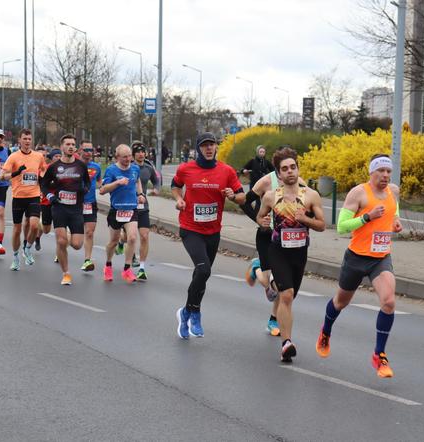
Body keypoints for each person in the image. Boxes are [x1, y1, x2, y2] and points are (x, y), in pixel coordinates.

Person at [315, 154, 403, 379]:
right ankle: (326, 331)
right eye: (380, 171)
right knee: (341, 302)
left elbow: (393, 211)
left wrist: (395, 221)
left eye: (387, 171)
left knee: (389, 301)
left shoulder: (393, 191)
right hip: (356, 257)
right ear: (371, 172)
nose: (384, 175)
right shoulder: (358, 193)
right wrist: (367, 217)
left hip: (380, 258)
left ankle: (379, 354)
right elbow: (342, 226)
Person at [171, 132, 246, 339]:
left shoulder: (226, 171)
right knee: (204, 270)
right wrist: (178, 199)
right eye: (204, 145)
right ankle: (194, 312)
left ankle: (185, 311)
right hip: (190, 229)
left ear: (216, 147)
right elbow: (175, 186)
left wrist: (233, 196)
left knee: (201, 274)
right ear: (198, 149)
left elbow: (242, 196)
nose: (209, 148)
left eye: (212, 144)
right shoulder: (186, 169)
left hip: (213, 232)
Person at [257, 147, 325, 362]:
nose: (289, 172)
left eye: (293, 167)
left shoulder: (311, 195)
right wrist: (263, 222)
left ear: (297, 169)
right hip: (278, 251)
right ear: (278, 174)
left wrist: (305, 220)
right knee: (287, 296)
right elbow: (260, 217)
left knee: (289, 294)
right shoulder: (270, 197)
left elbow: (322, 225)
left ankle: (271, 287)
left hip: (299, 253)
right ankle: (286, 343)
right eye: (284, 169)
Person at [41, 134, 90, 285]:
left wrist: (85, 190)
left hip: (75, 209)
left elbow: (87, 182)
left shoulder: (81, 165)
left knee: (76, 245)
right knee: (62, 242)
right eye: (67, 144)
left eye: (73, 144)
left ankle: (64, 237)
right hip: (59, 207)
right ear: (62, 147)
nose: (70, 147)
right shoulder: (54, 167)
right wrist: (50, 196)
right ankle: (66, 273)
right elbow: (44, 185)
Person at [0, 128, 46, 271]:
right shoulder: (13, 157)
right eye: (24, 139)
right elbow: (1, 176)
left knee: (34, 225)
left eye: (29, 139)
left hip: (33, 195)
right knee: (17, 229)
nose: (27, 141)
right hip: (18, 197)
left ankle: (27, 248)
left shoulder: (38, 156)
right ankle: (15, 257)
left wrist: (44, 183)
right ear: (19, 140)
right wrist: (16, 172)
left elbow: (43, 170)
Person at [99, 144, 146, 284]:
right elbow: (102, 190)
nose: (128, 159)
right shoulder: (111, 170)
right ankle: (108, 265)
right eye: (125, 157)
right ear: (117, 157)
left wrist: (140, 194)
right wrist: (118, 183)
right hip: (116, 210)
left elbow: (137, 181)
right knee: (113, 242)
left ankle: (127, 268)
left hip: (131, 209)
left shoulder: (135, 168)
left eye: (130, 156)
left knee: (132, 238)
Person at [132, 141, 159, 281]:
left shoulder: (148, 168)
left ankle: (141, 268)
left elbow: (156, 180)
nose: (141, 154)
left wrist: (156, 188)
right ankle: (123, 247)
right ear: (133, 154)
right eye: (138, 152)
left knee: (144, 236)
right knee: (128, 238)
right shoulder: (128, 167)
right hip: (128, 206)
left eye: (143, 152)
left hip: (143, 206)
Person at [78, 140, 102, 272]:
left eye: (90, 150)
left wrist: (102, 186)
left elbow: (99, 180)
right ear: (80, 150)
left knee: (89, 232)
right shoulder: (74, 165)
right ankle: (61, 249)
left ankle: (87, 260)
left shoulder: (96, 167)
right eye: (86, 150)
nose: (88, 153)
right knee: (75, 236)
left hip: (90, 203)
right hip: (75, 203)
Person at [36, 149, 62, 252]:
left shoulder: (63, 169)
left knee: (60, 227)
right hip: (46, 200)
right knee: (46, 230)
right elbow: (41, 184)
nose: (59, 158)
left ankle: (59, 251)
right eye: (56, 156)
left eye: (60, 156)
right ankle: (37, 237)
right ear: (51, 158)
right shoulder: (44, 169)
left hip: (60, 201)